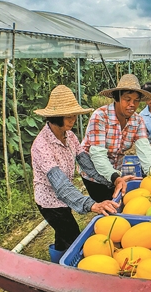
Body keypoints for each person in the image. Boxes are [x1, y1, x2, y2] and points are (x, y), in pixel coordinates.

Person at [31, 85, 132, 261]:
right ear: (55, 117)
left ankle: (58, 260)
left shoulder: (69, 135)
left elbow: (86, 163)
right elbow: (61, 186)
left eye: (74, 116)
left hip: (63, 199)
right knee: (72, 236)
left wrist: (113, 178)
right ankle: (65, 268)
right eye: (69, 117)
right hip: (50, 202)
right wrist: (91, 205)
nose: (73, 121)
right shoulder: (42, 146)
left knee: (62, 232)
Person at [81, 74, 151, 202]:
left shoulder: (138, 120)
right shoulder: (100, 116)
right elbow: (97, 155)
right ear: (117, 98)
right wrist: (115, 178)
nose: (132, 104)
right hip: (94, 173)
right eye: (127, 99)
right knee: (107, 205)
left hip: (116, 172)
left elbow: (144, 148)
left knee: (118, 203)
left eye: (136, 100)